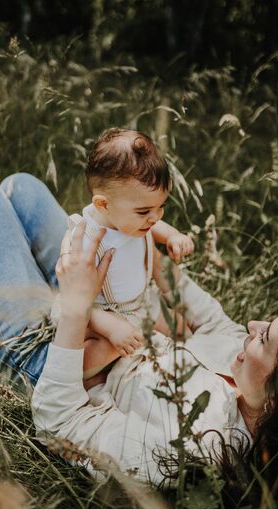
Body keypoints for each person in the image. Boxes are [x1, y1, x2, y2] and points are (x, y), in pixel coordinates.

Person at [31, 217, 278, 500]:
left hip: (57, 359)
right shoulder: (247, 374)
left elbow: (60, 423)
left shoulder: (190, 451)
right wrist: (141, 242)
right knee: (33, 194)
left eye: (265, 337)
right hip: (108, 308)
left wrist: (76, 306)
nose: (252, 326)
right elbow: (209, 319)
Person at [51, 128, 195, 380]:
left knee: (181, 328)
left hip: (140, 303)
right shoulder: (85, 242)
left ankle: (191, 365)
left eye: (161, 207)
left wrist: (172, 235)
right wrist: (110, 326)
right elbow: (72, 301)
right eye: (144, 212)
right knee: (101, 352)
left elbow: (155, 226)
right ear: (103, 205)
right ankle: (91, 377)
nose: (155, 217)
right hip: (100, 314)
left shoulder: (131, 217)